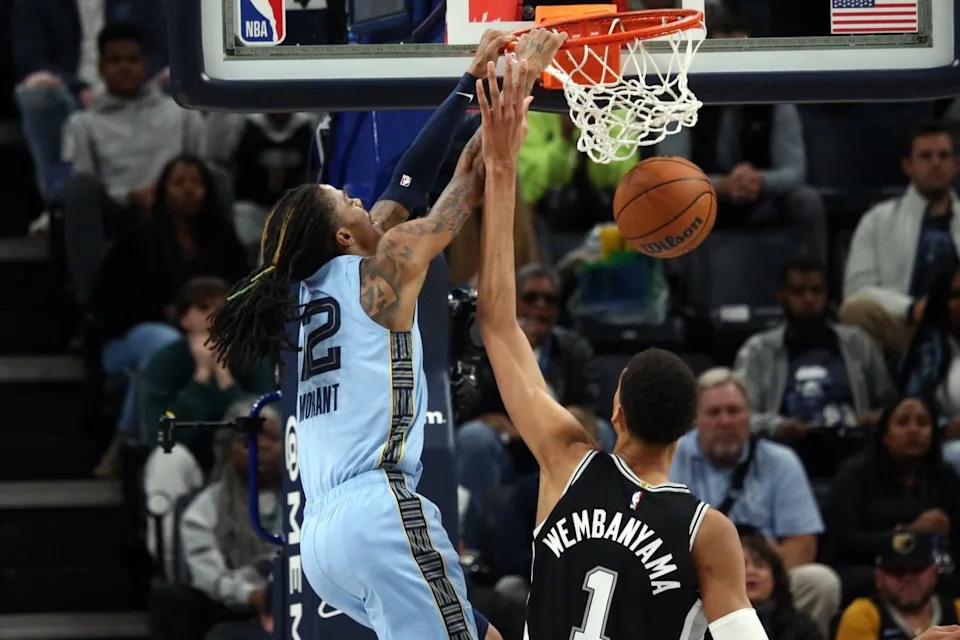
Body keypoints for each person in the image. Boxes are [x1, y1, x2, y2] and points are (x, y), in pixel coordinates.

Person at [206, 30, 566, 640]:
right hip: (377, 511)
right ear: (344, 237)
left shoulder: (307, 293)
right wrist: (512, 91)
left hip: (320, 541)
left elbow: (407, 183)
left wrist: (468, 83)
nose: (357, 197)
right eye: (346, 200)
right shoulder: (386, 264)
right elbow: (466, 182)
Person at [472, 58, 769, 640]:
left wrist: (501, 166)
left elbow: (498, 324)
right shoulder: (706, 531)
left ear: (616, 411)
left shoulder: (566, 463)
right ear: (687, 428)